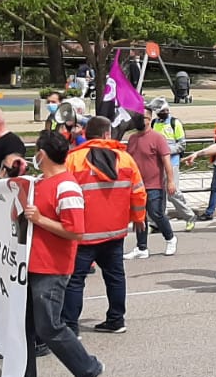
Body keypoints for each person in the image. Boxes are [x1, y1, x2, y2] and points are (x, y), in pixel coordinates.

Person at [0, 129, 104, 377]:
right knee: (23, 328)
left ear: (42, 154)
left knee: (48, 327)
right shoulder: (38, 183)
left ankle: (86, 367)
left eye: (36, 150)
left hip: (52, 268)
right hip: (28, 265)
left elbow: (76, 232)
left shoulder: (67, 187)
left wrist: (39, 220)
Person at [63, 117, 147, 334]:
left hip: (83, 234)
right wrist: (138, 219)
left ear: (86, 133)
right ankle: (116, 319)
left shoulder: (73, 160)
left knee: (75, 281)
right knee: (115, 276)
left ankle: (71, 328)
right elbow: (138, 192)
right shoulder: (125, 159)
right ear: (107, 134)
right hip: (115, 232)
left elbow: (61, 194)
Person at [125, 112, 178, 258]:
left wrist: (170, 181)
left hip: (154, 184)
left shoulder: (157, 138)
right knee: (139, 216)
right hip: (137, 185)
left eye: (143, 118)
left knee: (156, 213)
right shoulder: (133, 138)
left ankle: (170, 238)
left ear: (149, 120)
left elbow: (167, 161)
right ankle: (142, 247)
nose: (139, 121)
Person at [149, 99, 195, 221]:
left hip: (172, 163)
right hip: (157, 164)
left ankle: (189, 216)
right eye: (162, 111)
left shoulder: (175, 123)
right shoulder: (154, 123)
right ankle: (158, 221)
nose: (165, 112)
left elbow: (181, 145)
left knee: (172, 192)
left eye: (166, 110)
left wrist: (165, 150)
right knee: (159, 193)